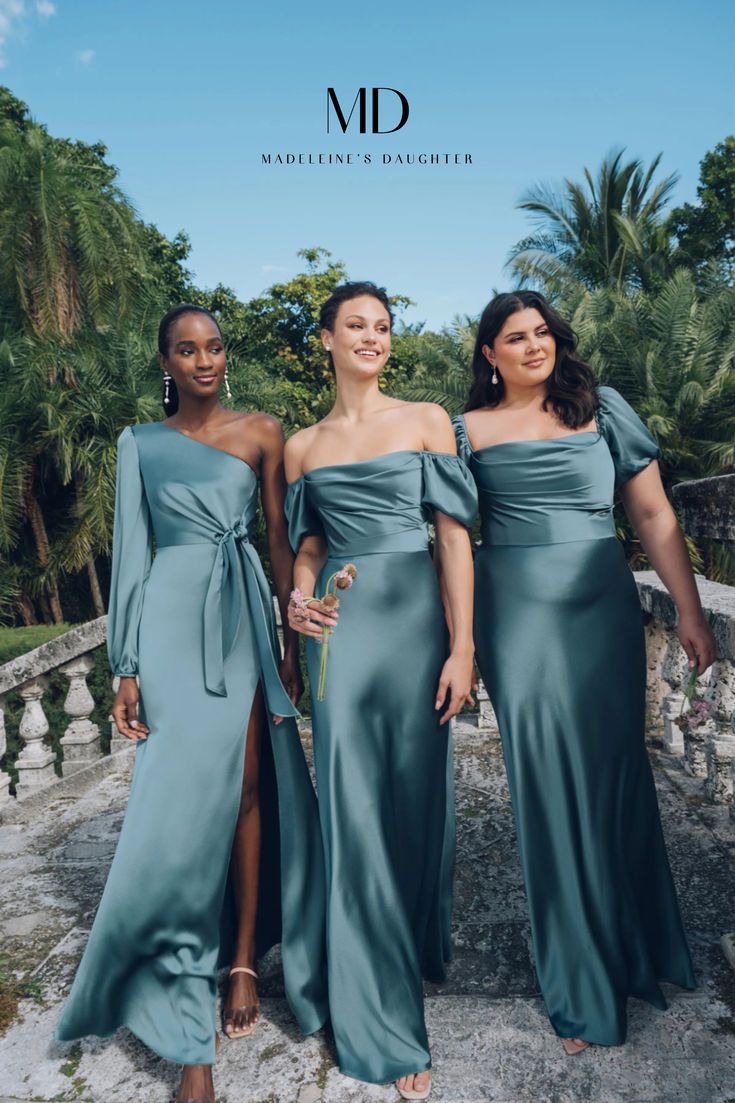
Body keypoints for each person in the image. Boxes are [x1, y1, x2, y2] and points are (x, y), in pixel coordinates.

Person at [56, 304, 327, 1103]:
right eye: (186, 349)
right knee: (177, 814)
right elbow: (130, 554)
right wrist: (126, 665)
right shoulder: (138, 442)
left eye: (213, 347)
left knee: (246, 790)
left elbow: (279, 538)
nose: (203, 359)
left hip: (240, 614)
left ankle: (241, 955)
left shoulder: (262, 431)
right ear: (165, 361)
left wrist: (288, 638)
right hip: (172, 621)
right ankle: (187, 1036)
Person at [452, 290, 716, 1055]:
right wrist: (458, 640)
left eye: (542, 333)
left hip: (601, 608)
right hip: (517, 615)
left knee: (614, 772)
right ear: (488, 353)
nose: (533, 346)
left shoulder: (599, 408)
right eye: (514, 336)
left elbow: (655, 515)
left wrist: (689, 612)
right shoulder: (464, 432)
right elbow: (446, 540)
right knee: (547, 782)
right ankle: (580, 980)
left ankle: (638, 950)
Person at [284, 281, 477, 1101]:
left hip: (417, 634)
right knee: (353, 811)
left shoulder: (428, 419)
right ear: (323, 339)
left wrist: (462, 645)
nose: (372, 336)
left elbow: (454, 540)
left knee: (415, 801)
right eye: (355, 325)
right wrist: (297, 597)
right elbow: (304, 549)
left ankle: (410, 941)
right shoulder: (302, 446)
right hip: (341, 639)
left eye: (383, 326)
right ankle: (383, 1020)